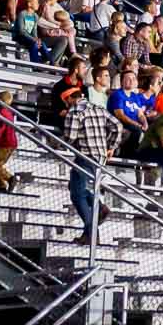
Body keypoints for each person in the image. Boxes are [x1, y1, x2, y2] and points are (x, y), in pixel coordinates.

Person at [63, 89, 120, 244]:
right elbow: (117, 126)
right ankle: (99, 208)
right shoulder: (98, 108)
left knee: (77, 194)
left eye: (66, 101)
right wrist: (111, 146)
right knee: (76, 187)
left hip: (85, 155)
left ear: (70, 99)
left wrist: (59, 142)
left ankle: (91, 232)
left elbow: (69, 138)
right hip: (99, 156)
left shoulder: (74, 112)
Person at [0, 89, 21, 193]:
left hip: (6, 143)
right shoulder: (9, 112)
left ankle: (10, 179)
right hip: (10, 142)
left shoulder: (2, 112)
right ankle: (1, 185)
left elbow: (2, 128)